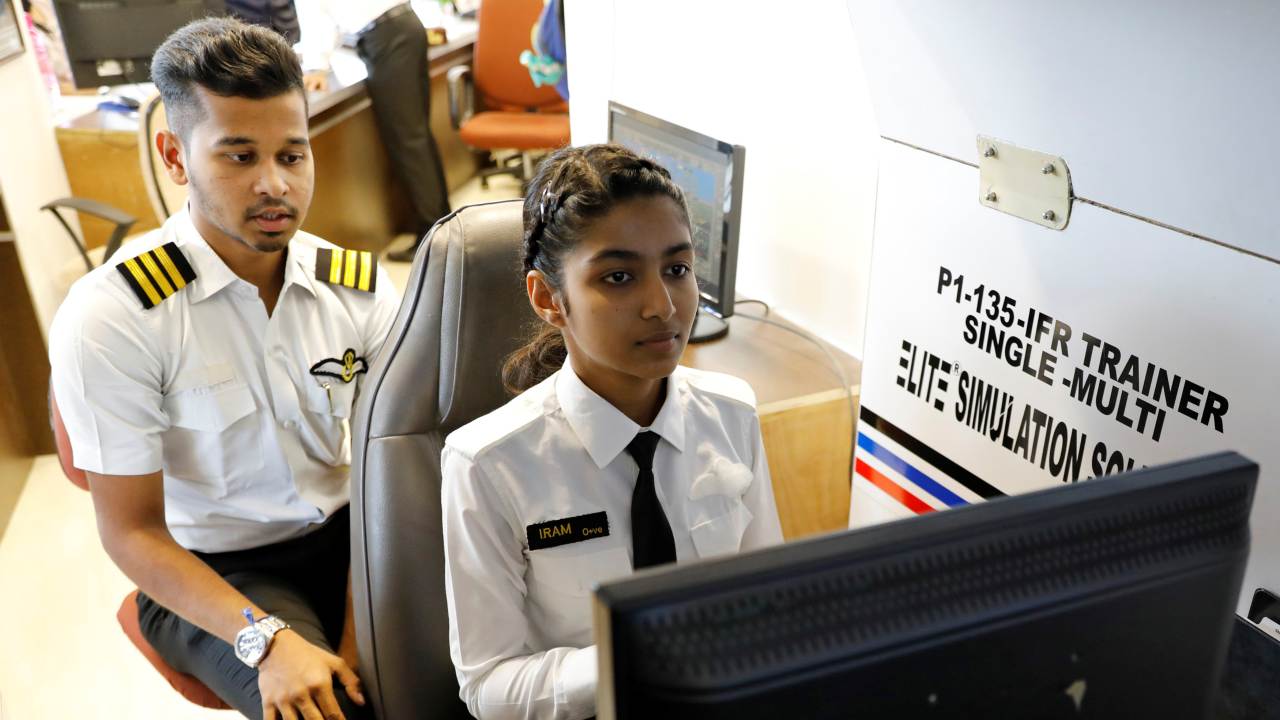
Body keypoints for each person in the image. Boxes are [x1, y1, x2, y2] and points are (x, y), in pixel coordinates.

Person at [48, 17, 398, 720]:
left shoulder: (355, 286)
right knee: (334, 711)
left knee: (484, 665)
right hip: (211, 570)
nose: (275, 185)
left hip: (358, 534)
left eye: (292, 156)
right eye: (239, 157)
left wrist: (367, 626)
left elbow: (390, 467)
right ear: (175, 156)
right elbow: (131, 531)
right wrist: (267, 642)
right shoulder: (115, 314)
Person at [440, 144, 785, 720]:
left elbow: (769, 601)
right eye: (619, 277)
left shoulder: (733, 415)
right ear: (550, 299)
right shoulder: (486, 463)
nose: (662, 306)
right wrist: (635, 657)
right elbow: (487, 685)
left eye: (677, 270)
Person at [298, 0, 452, 262]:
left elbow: (316, 16)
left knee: (409, 141)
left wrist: (316, 67)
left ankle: (435, 240)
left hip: (387, 35)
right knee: (416, 137)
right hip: (403, 25)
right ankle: (443, 230)